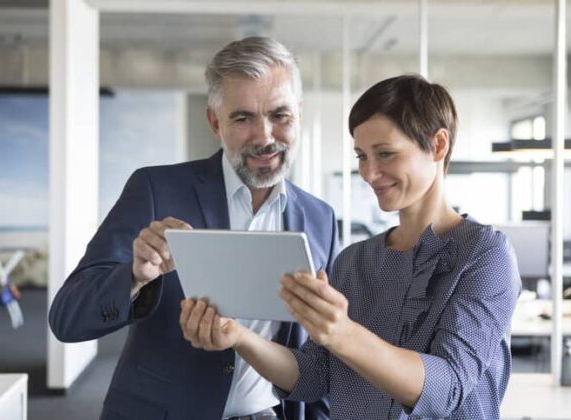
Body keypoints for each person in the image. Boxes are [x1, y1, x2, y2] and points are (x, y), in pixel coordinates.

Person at [180, 75, 522, 419]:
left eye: (385, 154)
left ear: (438, 145)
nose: (369, 173)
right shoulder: (355, 261)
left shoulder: (484, 255)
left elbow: (446, 389)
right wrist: (239, 336)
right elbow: (314, 376)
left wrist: (342, 333)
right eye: (361, 156)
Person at [48, 36, 339, 420]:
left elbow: (319, 353)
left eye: (280, 115)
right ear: (214, 122)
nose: (265, 136)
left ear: (298, 114)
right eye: (243, 117)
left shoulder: (320, 218)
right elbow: (67, 318)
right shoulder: (156, 190)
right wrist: (135, 277)